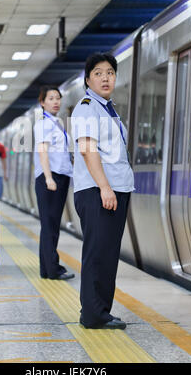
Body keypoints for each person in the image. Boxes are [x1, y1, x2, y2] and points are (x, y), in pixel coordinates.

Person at [71, 52, 135, 330]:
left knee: (108, 254)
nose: (105, 77)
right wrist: (105, 187)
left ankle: (102, 311)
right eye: (98, 73)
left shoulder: (109, 109)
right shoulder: (87, 107)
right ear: (88, 79)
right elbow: (87, 149)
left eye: (110, 72)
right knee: (98, 253)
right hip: (98, 191)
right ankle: (92, 314)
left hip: (115, 189)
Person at [34, 85, 74, 281]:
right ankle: (53, 269)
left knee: (49, 225)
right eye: (50, 98)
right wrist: (49, 178)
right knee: (50, 226)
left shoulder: (55, 122)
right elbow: (43, 151)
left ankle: (46, 268)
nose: (56, 102)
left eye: (57, 98)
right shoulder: (43, 123)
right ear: (42, 102)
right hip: (51, 178)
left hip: (58, 176)